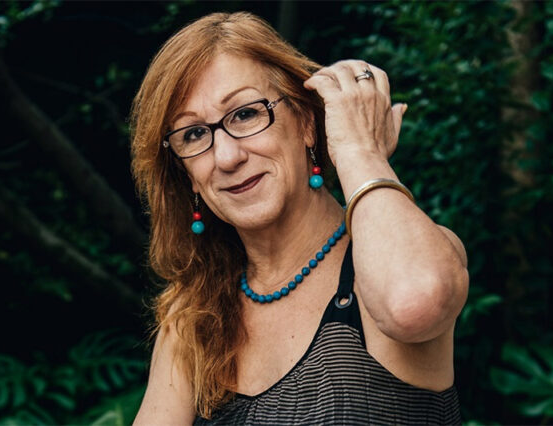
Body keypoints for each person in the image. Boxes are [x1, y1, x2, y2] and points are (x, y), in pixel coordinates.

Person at [130, 11, 468, 425]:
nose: (227, 157)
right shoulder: (192, 318)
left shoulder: (405, 262)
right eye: (194, 134)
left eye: (245, 114)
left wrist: (359, 151)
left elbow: (414, 303)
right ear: (188, 176)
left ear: (307, 123)